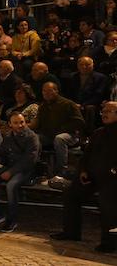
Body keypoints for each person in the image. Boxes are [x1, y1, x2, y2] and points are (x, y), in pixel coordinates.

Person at [51, 101, 117, 253]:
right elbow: (85, 156)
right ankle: (71, 232)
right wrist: (83, 171)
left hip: (112, 180)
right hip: (93, 177)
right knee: (71, 194)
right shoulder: (98, 132)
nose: (104, 114)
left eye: (109, 111)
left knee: (107, 202)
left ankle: (110, 242)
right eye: (103, 111)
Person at [0, 112, 40, 233]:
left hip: (26, 170)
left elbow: (30, 160)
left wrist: (11, 172)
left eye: (22, 122)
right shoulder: (9, 137)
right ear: (10, 124)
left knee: (11, 186)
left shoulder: (32, 137)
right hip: (10, 167)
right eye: (16, 123)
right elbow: (3, 152)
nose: (20, 125)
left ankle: (12, 219)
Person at [29, 82, 85, 177]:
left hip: (69, 135)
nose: (46, 93)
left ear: (56, 91)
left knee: (59, 138)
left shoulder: (68, 104)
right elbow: (37, 123)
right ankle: (35, 167)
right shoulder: (43, 106)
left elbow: (80, 122)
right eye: (44, 91)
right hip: (49, 135)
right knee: (34, 137)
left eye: (50, 91)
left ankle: (62, 170)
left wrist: (62, 129)